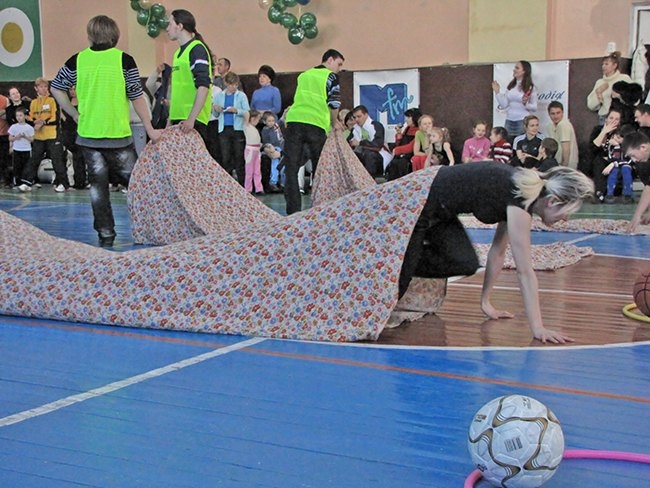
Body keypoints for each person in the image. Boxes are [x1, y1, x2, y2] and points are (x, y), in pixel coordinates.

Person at [399, 162, 594, 343]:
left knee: (464, 263)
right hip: (417, 200)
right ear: (552, 201)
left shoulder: (519, 193)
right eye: (567, 212)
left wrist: (486, 302)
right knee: (398, 284)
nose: (566, 219)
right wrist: (538, 328)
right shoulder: (519, 201)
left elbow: (498, 252)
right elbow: (525, 272)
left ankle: (403, 261)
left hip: (440, 211)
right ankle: (398, 265)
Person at [50, 14, 161, 247]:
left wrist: (73, 113)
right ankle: (154, 227)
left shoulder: (77, 60)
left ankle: (106, 234)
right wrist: (149, 127)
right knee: (138, 185)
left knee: (98, 189)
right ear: (114, 35)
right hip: (118, 135)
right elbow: (136, 96)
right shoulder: (125, 60)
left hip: (89, 136)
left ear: (90, 35)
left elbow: (56, 87)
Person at [283, 48, 345, 214]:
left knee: (291, 168)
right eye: (339, 64)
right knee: (319, 168)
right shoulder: (331, 77)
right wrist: (334, 122)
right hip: (315, 125)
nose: (339, 69)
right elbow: (334, 104)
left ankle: (293, 211)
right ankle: (319, 208)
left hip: (294, 122)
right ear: (330, 60)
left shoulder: (304, 75)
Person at [166, 9, 213, 144]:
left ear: (180, 26)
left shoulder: (197, 49)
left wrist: (191, 118)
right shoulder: (177, 54)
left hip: (192, 121)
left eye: (170, 24)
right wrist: (170, 119)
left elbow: (203, 86)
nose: (167, 29)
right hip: (178, 118)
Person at [18, 78, 67, 192]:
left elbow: (55, 117)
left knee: (57, 160)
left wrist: (43, 122)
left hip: (52, 135)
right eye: (41, 87)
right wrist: (34, 122)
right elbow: (31, 117)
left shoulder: (52, 101)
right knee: (34, 159)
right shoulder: (34, 103)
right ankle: (27, 182)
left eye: (45, 87)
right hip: (39, 136)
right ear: (36, 88)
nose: (44, 89)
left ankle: (62, 183)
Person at [214, 71, 250, 186]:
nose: (234, 87)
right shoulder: (219, 96)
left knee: (239, 157)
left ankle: (242, 185)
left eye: (235, 85)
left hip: (238, 129)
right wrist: (216, 109)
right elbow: (215, 114)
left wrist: (236, 110)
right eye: (231, 85)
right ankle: (228, 185)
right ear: (226, 84)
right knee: (226, 158)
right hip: (224, 129)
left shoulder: (241, 96)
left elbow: (247, 112)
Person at [492, 60, 538, 139]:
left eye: (517, 68)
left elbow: (534, 107)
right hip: (509, 120)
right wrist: (497, 92)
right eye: (514, 68)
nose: (514, 70)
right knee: (508, 144)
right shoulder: (511, 85)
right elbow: (504, 104)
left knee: (520, 144)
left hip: (522, 121)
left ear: (524, 71)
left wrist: (525, 104)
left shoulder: (530, 87)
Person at [587, 51, 632, 125]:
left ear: (614, 65)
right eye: (603, 64)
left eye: (606, 64)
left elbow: (634, 99)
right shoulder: (600, 82)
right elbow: (591, 105)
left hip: (622, 118)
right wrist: (598, 93)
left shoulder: (624, 78)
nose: (603, 66)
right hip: (604, 118)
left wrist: (619, 95)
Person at [349, 104, 392, 177]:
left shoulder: (376, 126)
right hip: (362, 153)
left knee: (369, 154)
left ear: (366, 115)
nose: (356, 120)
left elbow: (377, 145)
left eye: (359, 116)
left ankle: (370, 179)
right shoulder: (355, 129)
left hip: (379, 155)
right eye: (355, 117)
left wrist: (360, 143)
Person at [601, 125, 636, 204]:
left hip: (626, 166)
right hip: (615, 166)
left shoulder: (629, 147)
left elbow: (628, 160)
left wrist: (615, 163)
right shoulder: (612, 146)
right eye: (614, 136)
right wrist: (615, 146)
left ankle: (627, 194)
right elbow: (611, 157)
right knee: (613, 172)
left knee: (626, 170)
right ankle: (609, 194)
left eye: (618, 138)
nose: (615, 139)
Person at [623, 131, 650, 233]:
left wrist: (637, 216)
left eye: (633, 155)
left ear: (643, 147)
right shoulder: (643, 164)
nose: (633, 160)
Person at [545, 101, 579, 169]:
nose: (555, 116)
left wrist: (564, 167)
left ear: (562, 112)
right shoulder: (549, 126)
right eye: (553, 113)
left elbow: (566, 149)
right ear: (549, 114)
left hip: (566, 165)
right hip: (556, 163)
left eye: (558, 113)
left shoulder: (563, 125)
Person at [7, 107, 34, 187]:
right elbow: (10, 138)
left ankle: (25, 182)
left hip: (26, 150)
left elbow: (32, 139)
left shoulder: (29, 127)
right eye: (17, 116)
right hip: (17, 149)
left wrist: (25, 136)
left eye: (20, 115)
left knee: (26, 166)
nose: (18, 117)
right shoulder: (14, 127)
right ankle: (17, 182)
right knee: (17, 166)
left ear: (25, 116)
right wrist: (16, 137)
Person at [261, 110, 284, 192]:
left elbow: (282, 119)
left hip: (281, 147)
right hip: (273, 148)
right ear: (264, 122)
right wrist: (270, 146)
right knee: (275, 162)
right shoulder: (265, 130)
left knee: (284, 164)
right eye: (269, 121)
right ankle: (273, 181)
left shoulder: (276, 126)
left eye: (273, 120)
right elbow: (265, 142)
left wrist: (285, 112)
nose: (271, 123)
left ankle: (283, 183)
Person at [243, 109, 264, 195]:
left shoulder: (255, 129)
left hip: (257, 150)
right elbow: (246, 113)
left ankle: (259, 188)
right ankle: (248, 188)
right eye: (257, 119)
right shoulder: (246, 126)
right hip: (250, 151)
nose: (258, 121)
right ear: (252, 118)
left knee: (257, 170)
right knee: (249, 171)